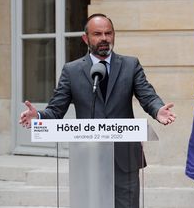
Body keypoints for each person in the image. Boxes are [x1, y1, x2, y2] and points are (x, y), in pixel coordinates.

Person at [19, 13, 176, 208]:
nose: (104, 38)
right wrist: (39, 116)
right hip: (88, 157)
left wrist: (157, 109)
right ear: (86, 38)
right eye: (98, 34)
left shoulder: (130, 65)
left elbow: (147, 95)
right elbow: (56, 110)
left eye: (108, 33)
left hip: (124, 158)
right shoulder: (72, 70)